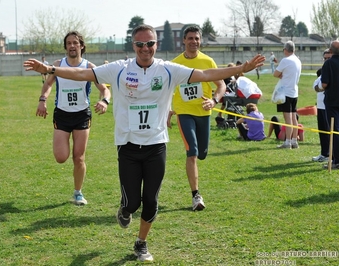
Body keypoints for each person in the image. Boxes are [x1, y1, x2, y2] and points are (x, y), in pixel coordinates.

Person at [23, 24, 265, 262]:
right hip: (128, 146)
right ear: (134, 45)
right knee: (132, 202)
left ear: (156, 45)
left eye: (150, 43)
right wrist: (51, 69)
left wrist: (242, 68)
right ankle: (125, 209)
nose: (145, 48)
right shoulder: (119, 68)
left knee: (151, 200)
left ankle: (141, 243)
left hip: (156, 145)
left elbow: (205, 75)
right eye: (140, 44)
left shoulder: (168, 70)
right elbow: (83, 73)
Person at [36, 31, 111, 206]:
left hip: (82, 115)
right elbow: (47, 84)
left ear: (81, 46)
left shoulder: (89, 67)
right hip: (62, 114)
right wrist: (42, 100)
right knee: (61, 157)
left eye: (75, 43)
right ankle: (64, 149)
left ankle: (78, 192)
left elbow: (105, 89)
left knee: (79, 157)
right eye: (68, 43)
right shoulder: (58, 65)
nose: (72, 46)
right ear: (65, 47)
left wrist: (105, 101)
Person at [168, 26, 226, 211]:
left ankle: (196, 190)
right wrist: (169, 110)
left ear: (200, 41)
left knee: (202, 153)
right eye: (190, 38)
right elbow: (167, 90)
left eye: (197, 38)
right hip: (184, 112)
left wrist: (214, 100)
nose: (194, 41)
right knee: (191, 152)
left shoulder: (207, 61)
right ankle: (196, 196)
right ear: (183, 41)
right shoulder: (175, 64)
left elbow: (221, 85)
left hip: (204, 113)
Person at [273, 41, 302, 149]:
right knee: (294, 117)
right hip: (294, 92)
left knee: (288, 118)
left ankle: (288, 142)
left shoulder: (286, 60)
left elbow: (275, 74)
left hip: (285, 92)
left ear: (286, 50)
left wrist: (282, 75)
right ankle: (294, 140)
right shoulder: (298, 61)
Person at [321, 40, 339, 170]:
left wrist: (317, 88)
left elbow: (324, 84)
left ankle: (337, 161)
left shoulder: (328, 64)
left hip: (332, 102)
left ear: (331, 51)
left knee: (334, 131)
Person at [312, 49, 332, 162]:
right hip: (321, 106)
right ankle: (325, 153)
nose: (327, 61)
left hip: (330, 106)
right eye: (325, 58)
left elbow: (321, 86)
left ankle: (331, 155)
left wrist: (320, 87)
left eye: (329, 58)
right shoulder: (323, 71)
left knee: (331, 131)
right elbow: (316, 86)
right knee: (323, 131)